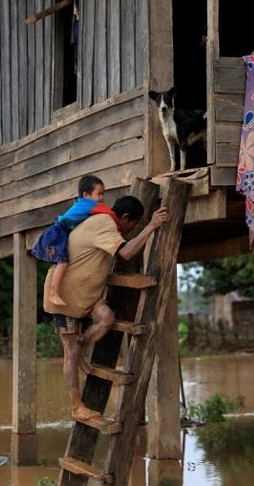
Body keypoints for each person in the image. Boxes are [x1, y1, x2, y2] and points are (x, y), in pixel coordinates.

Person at [43, 195, 169, 421]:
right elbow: (127, 252)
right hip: (66, 296)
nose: (130, 231)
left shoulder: (104, 222)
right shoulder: (106, 224)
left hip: (87, 295)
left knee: (106, 318)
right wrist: (151, 226)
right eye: (132, 225)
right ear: (125, 218)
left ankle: (81, 345)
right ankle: (76, 407)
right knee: (70, 354)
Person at [32, 175, 106, 307]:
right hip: (58, 232)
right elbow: (108, 212)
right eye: (99, 194)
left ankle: (55, 292)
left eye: (103, 194)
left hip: (61, 231)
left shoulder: (83, 204)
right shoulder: (90, 205)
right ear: (86, 195)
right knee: (63, 263)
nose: (101, 198)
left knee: (64, 261)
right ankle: (53, 293)